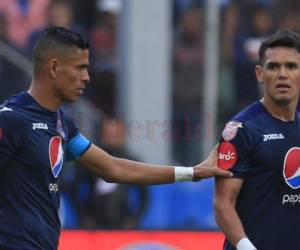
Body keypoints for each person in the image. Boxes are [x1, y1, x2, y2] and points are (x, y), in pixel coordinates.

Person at [0, 26, 232, 249]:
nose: (87, 77)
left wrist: (192, 172)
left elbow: (112, 168)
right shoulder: (11, 120)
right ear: (53, 68)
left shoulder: (61, 123)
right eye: (80, 68)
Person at [214, 30, 300, 250]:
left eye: (291, 66)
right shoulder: (240, 130)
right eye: (273, 66)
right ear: (260, 73)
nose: (283, 74)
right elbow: (223, 204)